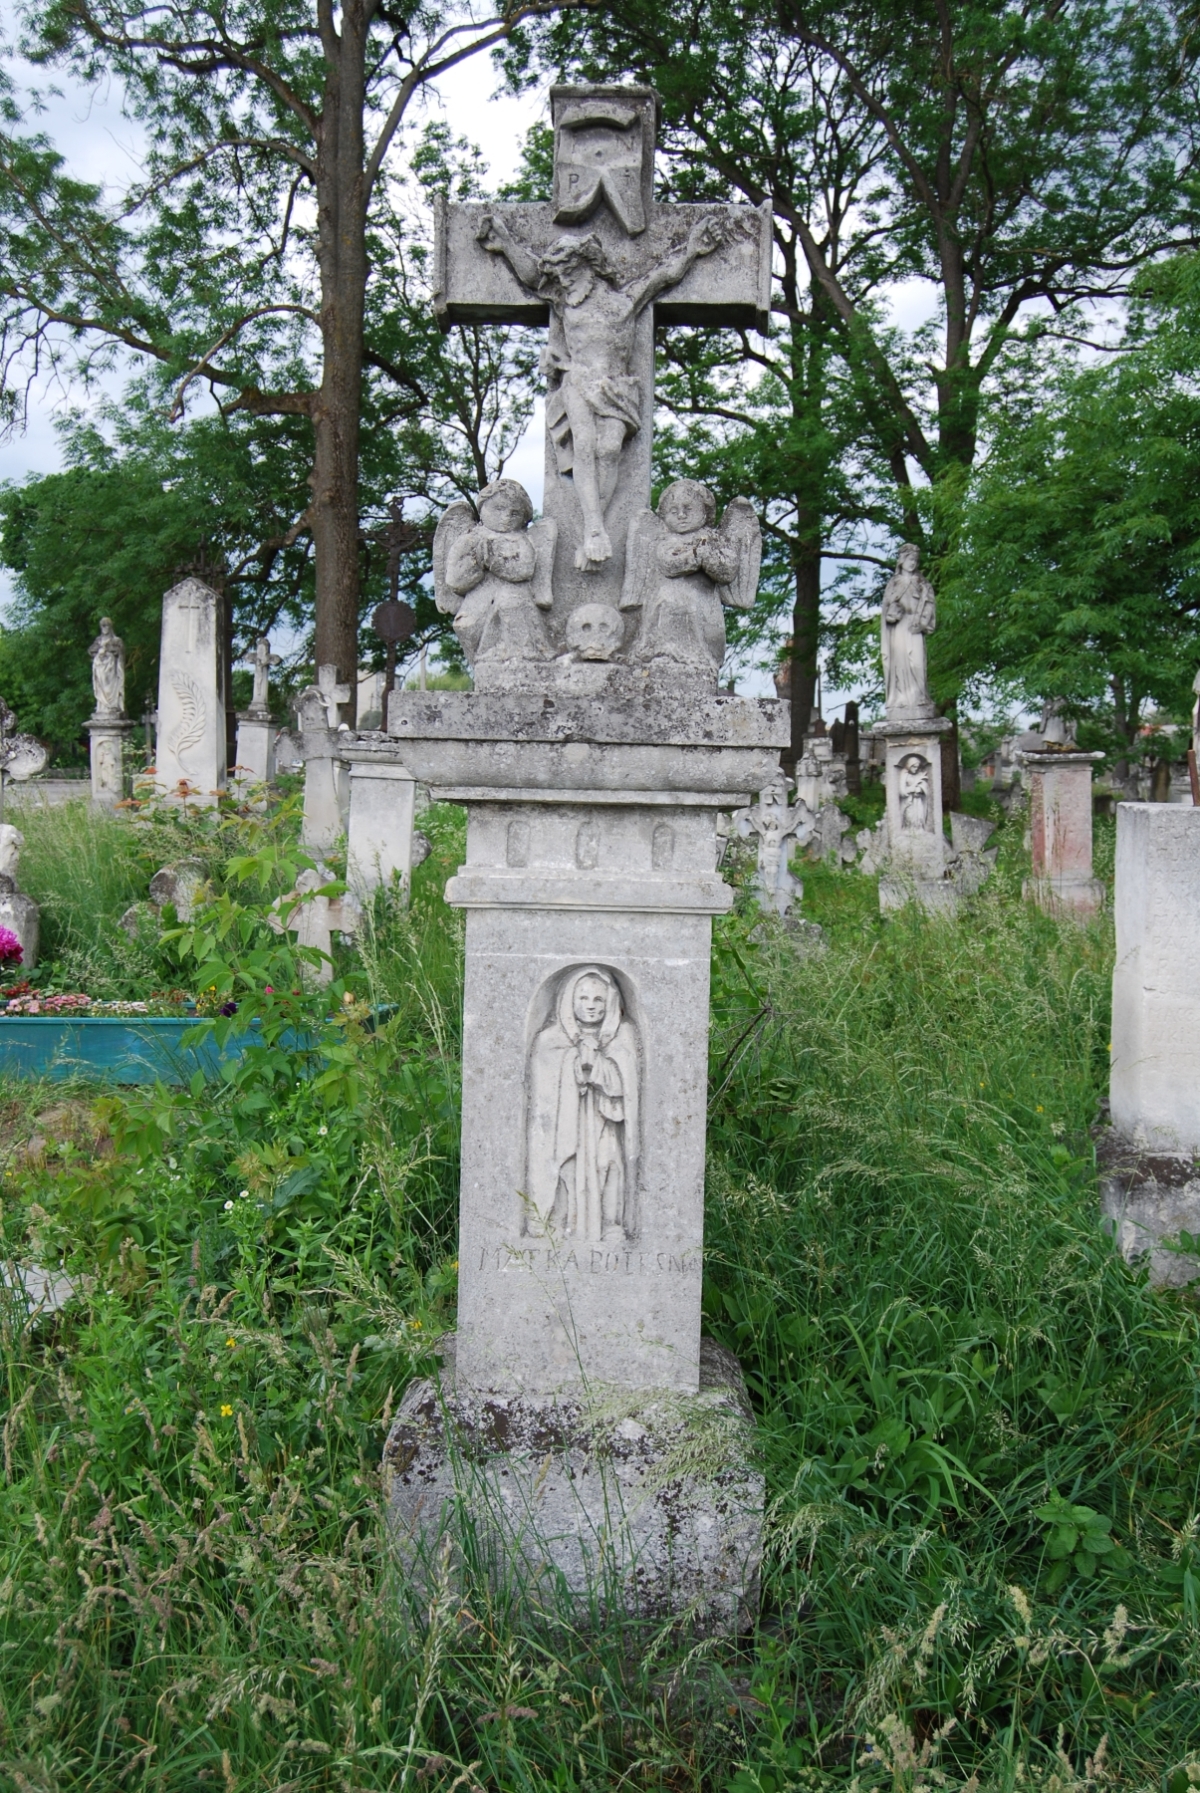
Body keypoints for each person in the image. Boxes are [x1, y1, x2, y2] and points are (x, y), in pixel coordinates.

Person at [477, 214, 728, 570]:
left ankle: (597, 524)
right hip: (577, 380)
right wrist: (505, 243)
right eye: (560, 273)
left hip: (618, 387)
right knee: (585, 447)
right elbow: (534, 277)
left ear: (587, 266)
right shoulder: (567, 303)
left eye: (567, 271)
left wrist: (693, 250)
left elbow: (664, 276)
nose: (561, 279)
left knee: (609, 449)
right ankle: (594, 529)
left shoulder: (625, 301)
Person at [526, 965, 640, 1243]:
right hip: (566, 1125)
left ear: (609, 1002)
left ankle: (609, 1223)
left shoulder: (622, 1037)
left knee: (608, 1164)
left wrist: (597, 1067)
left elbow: (626, 1085)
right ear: (570, 1000)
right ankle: (560, 1219)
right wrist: (575, 1065)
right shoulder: (550, 1040)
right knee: (568, 1169)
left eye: (598, 1000)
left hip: (604, 1121)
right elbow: (544, 1090)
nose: (591, 1006)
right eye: (584, 999)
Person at [881, 544, 937, 719]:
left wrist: (921, 622)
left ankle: (919, 697)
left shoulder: (923, 584)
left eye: (915, 560)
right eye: (910, 559)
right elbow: (886, 610)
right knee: (899, 663)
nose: (913, 563)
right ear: (902, 560)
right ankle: (901, 699)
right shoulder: (893, 584)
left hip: (915, 627)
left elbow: (929, 606)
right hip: (898, 628)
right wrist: (890, 616)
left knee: (917, 663)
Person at [89, 617, 125, 718]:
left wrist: (110, 650)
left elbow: (121, 653)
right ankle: (103, 706)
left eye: (107, 625)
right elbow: (91, 651)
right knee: (101, 684)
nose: (105, 628)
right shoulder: (98, 640)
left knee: (111, 686)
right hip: (100, 666)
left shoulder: (116, 640)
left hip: (111, 666)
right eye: (103, 625)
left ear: (110, 626)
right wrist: (99, 651)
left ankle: (112, 705)